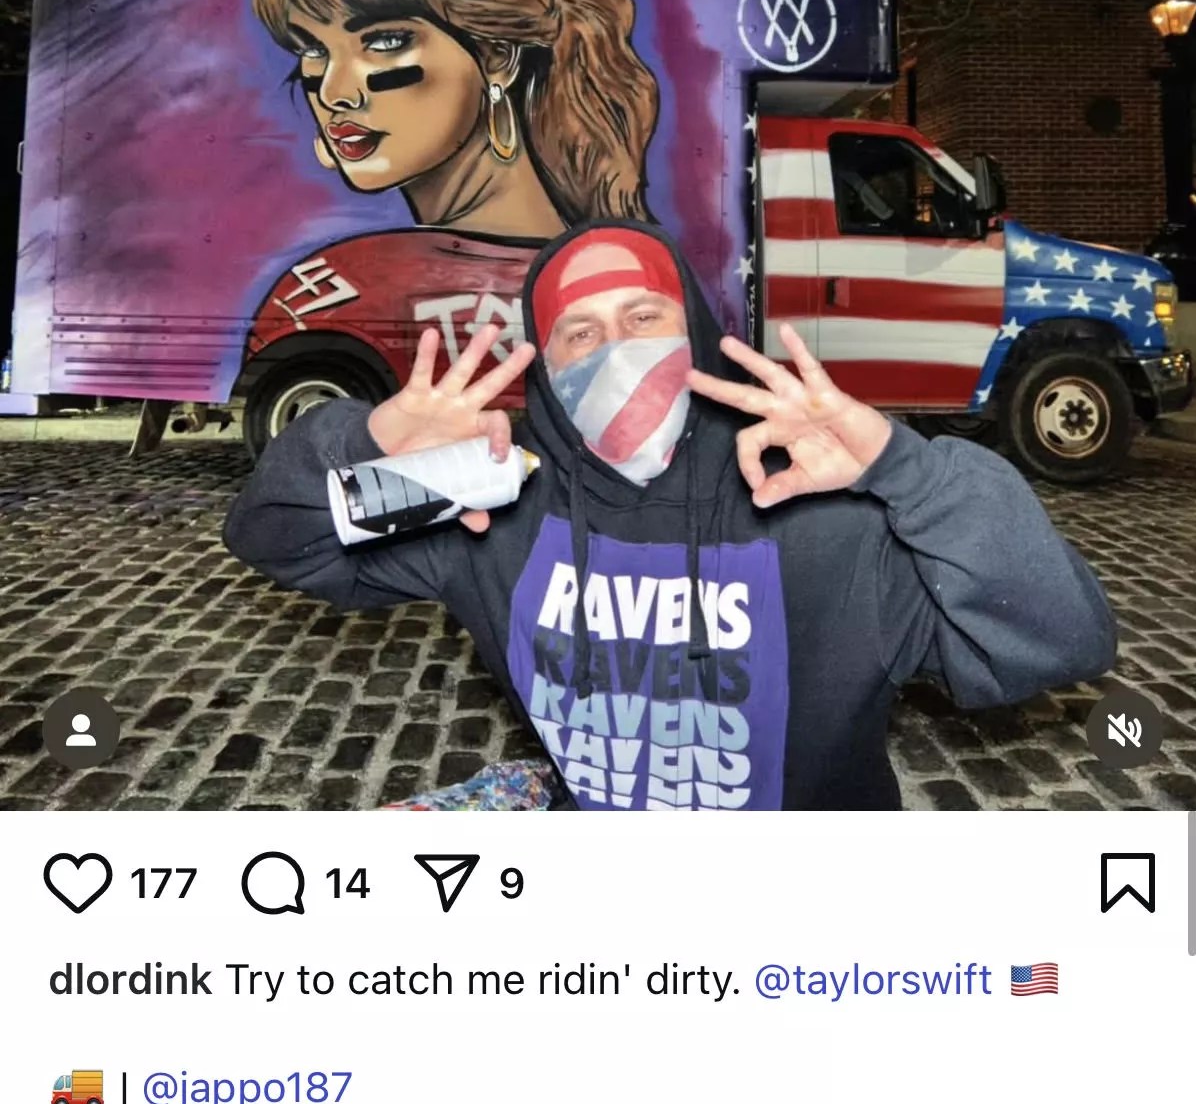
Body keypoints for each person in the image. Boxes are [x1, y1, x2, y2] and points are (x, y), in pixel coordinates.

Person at [224, 220, 1117, 811]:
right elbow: (277, 536)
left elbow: (1057, 641)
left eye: (643, 315)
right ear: (544, 367)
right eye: (579, 332)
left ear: (693, 329)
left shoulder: (819, 507)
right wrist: (369, 442)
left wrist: (906, 471)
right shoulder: (494, 499)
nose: (614, 351)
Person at [243, 0, 663, 394]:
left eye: (384, 41)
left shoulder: (341, 287)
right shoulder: (613, 272)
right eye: (312, 47)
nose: (335, 93)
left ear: (498, 56)